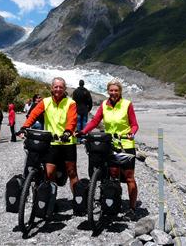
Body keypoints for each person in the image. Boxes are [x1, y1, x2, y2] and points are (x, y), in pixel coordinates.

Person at [80, 79, 139, 220]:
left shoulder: (127, 104)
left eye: (116, 90)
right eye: (111, 90)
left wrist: (131, 133)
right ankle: (114, 203)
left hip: (125, 145)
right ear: (108, 91)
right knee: (113, 176)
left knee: (129, 177)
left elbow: (135, 124)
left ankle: (132, 208)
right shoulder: (104, 105)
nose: (113, 93)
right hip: (110, 145)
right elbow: (95, 121)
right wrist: (83, 131)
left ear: (120, 91)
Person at [20, 77, 79, 193]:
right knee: (49, 172)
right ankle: (51, 200)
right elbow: (33, 114)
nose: (58, 89)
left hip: (68, 142)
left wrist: (68, 131)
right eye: (56, 87)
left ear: (64, 89)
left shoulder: (71, 103)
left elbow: (72, 120)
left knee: (71, 172)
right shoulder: (45, 102)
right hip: (52, 142)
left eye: (61, 87)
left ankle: (77, 201)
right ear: (52, 88)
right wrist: (24, 127)